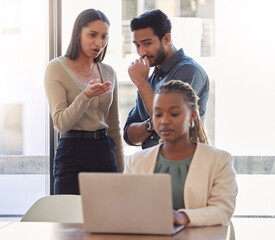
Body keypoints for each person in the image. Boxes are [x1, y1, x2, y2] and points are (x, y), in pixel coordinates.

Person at [124, 80, 237, 227]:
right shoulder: (136, 161)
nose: (164, 121)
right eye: (157, 114)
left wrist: (185, 217)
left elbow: (223, 210)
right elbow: (126, 208)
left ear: (192, 116)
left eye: (174, 113)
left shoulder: (219, 160)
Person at [44, 9, 124, 195]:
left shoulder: (109, 72)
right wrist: (85, 96)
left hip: (105, 152)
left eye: (104, 36)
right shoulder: (56, 68)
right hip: (73, 154)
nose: (99, 42)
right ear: (78, 33)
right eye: (92, 35)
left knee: (108, 220)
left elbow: (114, 126)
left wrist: (121, 169)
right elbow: (61, 124)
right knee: (69, 220)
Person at [124, 9, 209, 149]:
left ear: (166, 39)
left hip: (182, 164)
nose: (141, 52)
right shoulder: (149, 78)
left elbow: (170, 123)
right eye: (137, 45)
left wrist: (141, 83)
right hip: (150, 165)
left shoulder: (189, 71)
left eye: (147, 44)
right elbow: (129, 135)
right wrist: (150, 125)